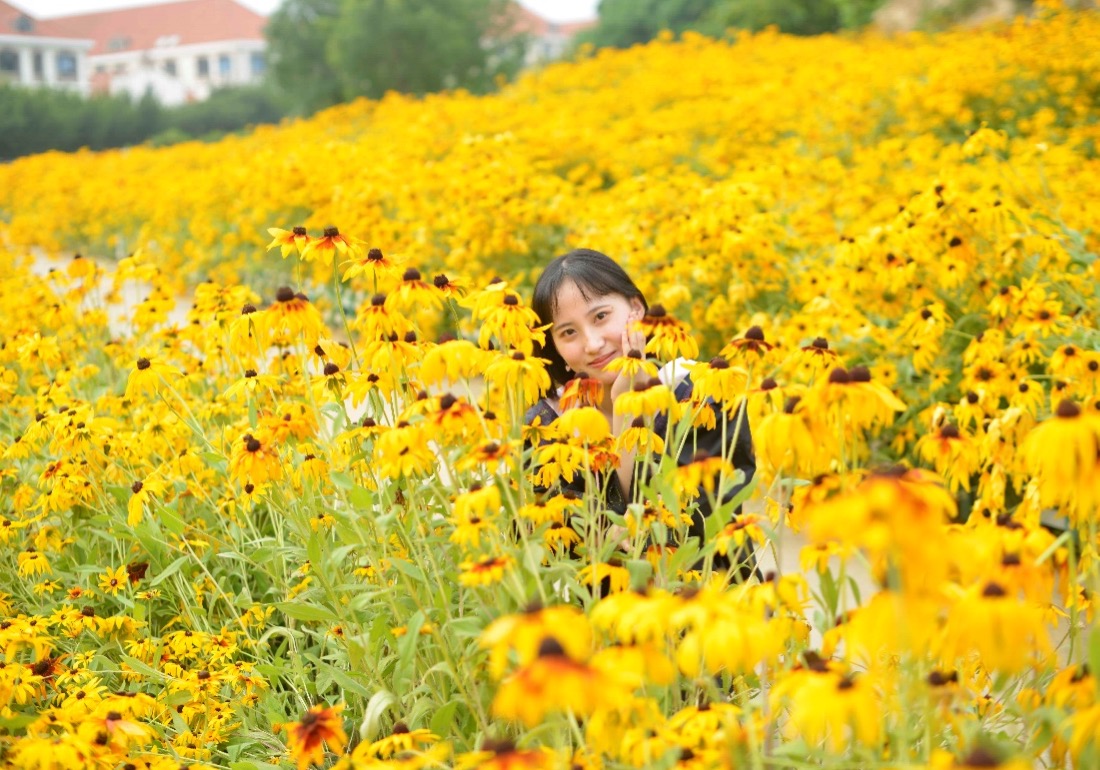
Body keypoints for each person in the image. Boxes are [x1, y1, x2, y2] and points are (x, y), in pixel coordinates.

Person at [524, 248, 757, 580]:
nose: (592, 343)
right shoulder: (546, 425)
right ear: (554, 346)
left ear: (636, 309)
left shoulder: (704, 394)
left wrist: (629, 409)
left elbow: (695, 529)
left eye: (601, 316)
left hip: (715, 599)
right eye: (568, 332)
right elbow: (548, 549)